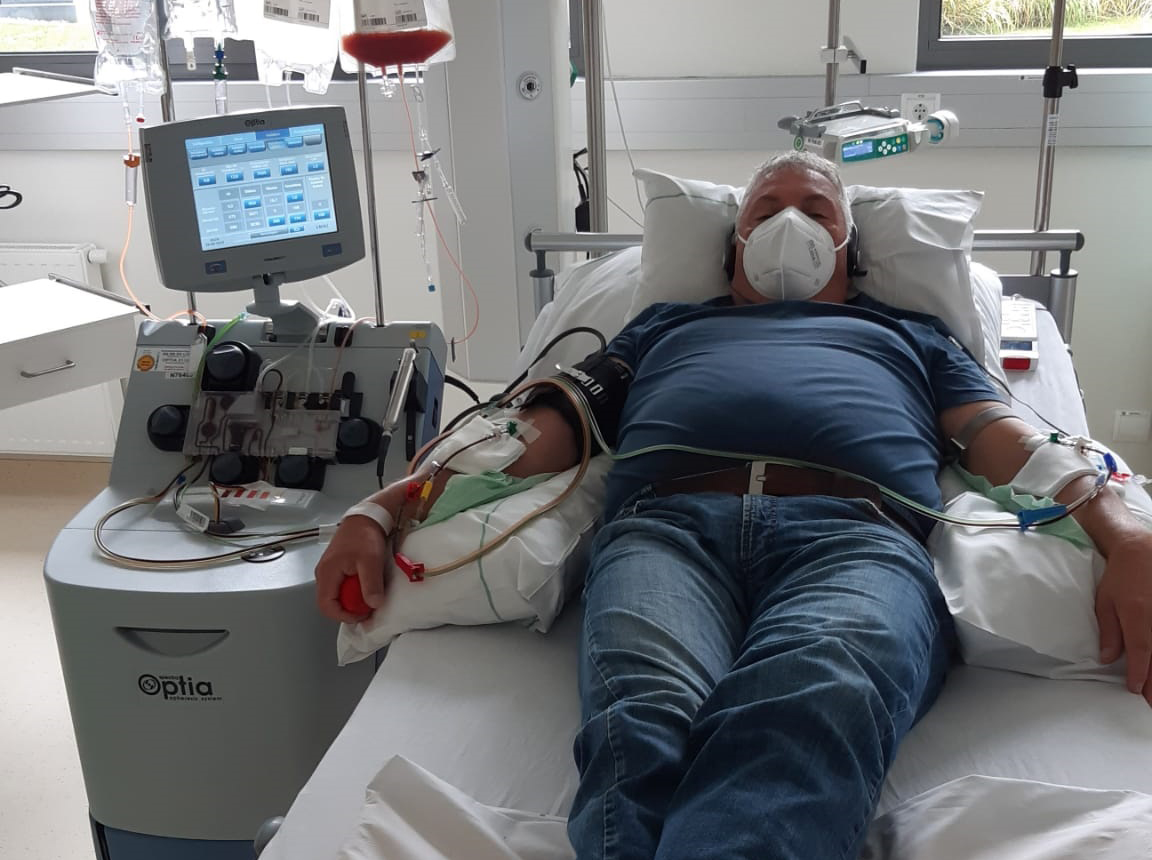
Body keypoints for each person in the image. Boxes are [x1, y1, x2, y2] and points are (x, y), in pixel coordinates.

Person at [316, 151, 1152, 859]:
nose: (790, 222)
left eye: (816, 210)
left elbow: (1009, 442)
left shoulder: (910, 335)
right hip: (665, 532)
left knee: (814, 696)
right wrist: (381, 511)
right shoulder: (662, 328)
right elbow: (528, 440)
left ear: (848, 243)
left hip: (855, 537)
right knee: (643, 723)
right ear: (734, 241)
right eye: (766, 208)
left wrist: (1125, 535)